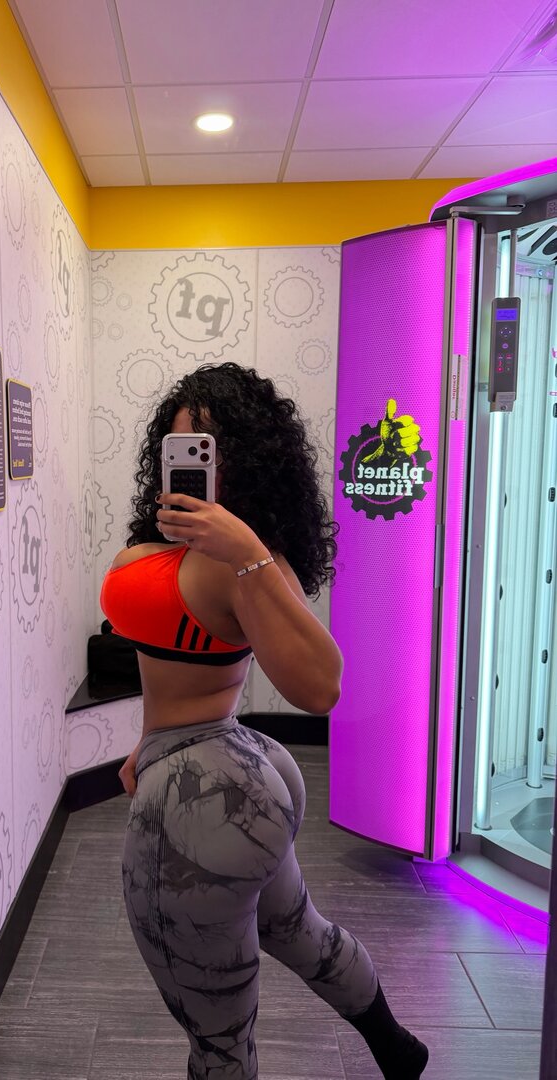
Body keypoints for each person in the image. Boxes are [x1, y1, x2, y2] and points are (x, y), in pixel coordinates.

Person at [99, 362, 428, 1080]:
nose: (195, 467)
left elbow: (322, 686)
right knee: (300, 931)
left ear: (246, 463)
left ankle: (395, 1046)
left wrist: (246, 549)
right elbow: (170, 665)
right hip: (233, 768)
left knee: (217, 1030)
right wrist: (146, 743)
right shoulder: (197, 554)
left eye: (212, 451)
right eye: (181, 448)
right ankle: (399, 1049)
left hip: (205, 795)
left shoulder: (248, 562)